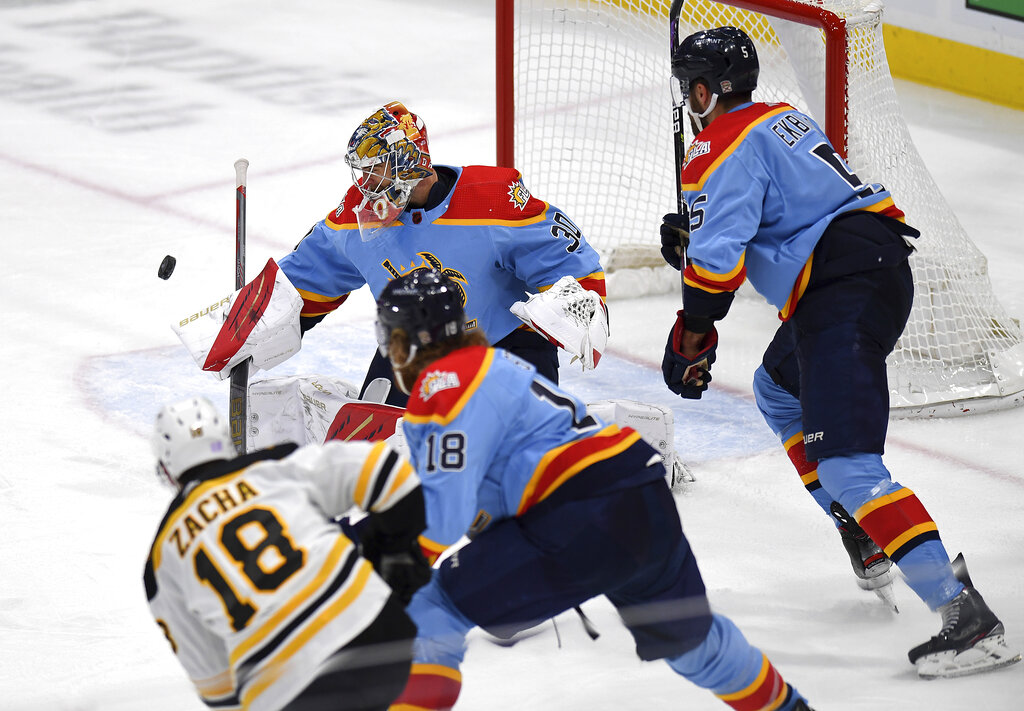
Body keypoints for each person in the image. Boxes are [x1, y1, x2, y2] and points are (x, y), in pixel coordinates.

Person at [659, 26, 1020, 678]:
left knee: (850, 465)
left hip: (840, 288)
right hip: (873, 265)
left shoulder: (714, 148)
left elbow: (715, 272)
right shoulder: (780, 118)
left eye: (692, 88)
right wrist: (697, 238)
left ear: (706, 91)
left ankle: (966, 618)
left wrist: (691, 334)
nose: (690, 100)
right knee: (777, 388)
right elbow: (772, 213)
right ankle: (861, 526)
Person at [373, 269, 816, 711]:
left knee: (433, 608)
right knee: (697, 646)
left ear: (406, 342)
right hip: (641, 494)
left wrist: (375, 572)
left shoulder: (443, 383)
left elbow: (441, 517)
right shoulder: (497, 364)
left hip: (580, 516)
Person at [275, 100, 609, 407]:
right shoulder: (358, 213)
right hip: (413, 345)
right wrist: (264, 312)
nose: (366, 182)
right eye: (363, 171)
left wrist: (580, 303)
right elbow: (305, 277)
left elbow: (563, 256)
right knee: (376, 438)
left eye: (375, 168)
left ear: (408, 163)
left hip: (506, 344)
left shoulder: (491, 201)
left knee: (519, 444)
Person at [144, 395, 431, 711]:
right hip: (380, 636)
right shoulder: (276, 465)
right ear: (224, 439)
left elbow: (217, 689)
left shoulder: (161, 560)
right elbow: (387, 471)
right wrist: (394, 557)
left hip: (287, 693)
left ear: (167, 469)